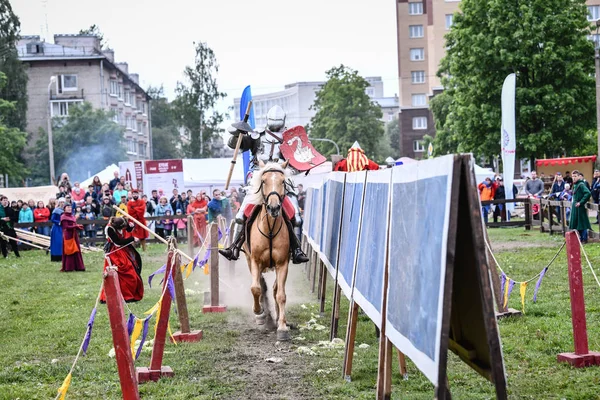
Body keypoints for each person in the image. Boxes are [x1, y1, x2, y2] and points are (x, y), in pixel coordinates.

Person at [219, 105, 309, 263]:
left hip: (282, 181)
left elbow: (297, 163)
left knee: (297, 218)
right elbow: (235, 145)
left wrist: (296, 169)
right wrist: (237, 134)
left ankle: (296, 250)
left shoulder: (291, 139)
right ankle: (233, 247)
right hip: (259, 180)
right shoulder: (257, 135)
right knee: (240, 216)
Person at [100, 217, 144, 303]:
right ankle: (122, 296)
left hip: (123, 251)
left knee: (132, 269)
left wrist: (130, 227)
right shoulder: (110, 229)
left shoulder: (121, 221)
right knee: (122, 270)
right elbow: (118, 243)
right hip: (115, 253)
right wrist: (132, 239)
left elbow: (127, 228)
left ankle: (130, 294)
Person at [59, 204, 85, 271]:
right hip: (68, 235)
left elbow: (74, 225)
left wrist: (78, 226)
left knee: (76, 249)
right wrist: (75, 227)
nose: (69, 208)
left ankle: (78, 267)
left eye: (70, 207)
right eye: (67, 207)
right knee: (69, 250)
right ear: (64, 209)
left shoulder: (72, 216)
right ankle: (69, 267)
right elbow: (66, 227)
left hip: (74, 235)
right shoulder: (63, 217)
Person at [569, 170, 592, 244]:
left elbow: (588, 193)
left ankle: (584, 239)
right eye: (572, 176)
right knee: (576, 223)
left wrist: (581, 202)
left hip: (580, 207)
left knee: (582, 223)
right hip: (575, 206)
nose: (574, 178)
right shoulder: (575, 185)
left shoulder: (581, 184)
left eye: (575, 176)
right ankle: (579, 239)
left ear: (579, 176)